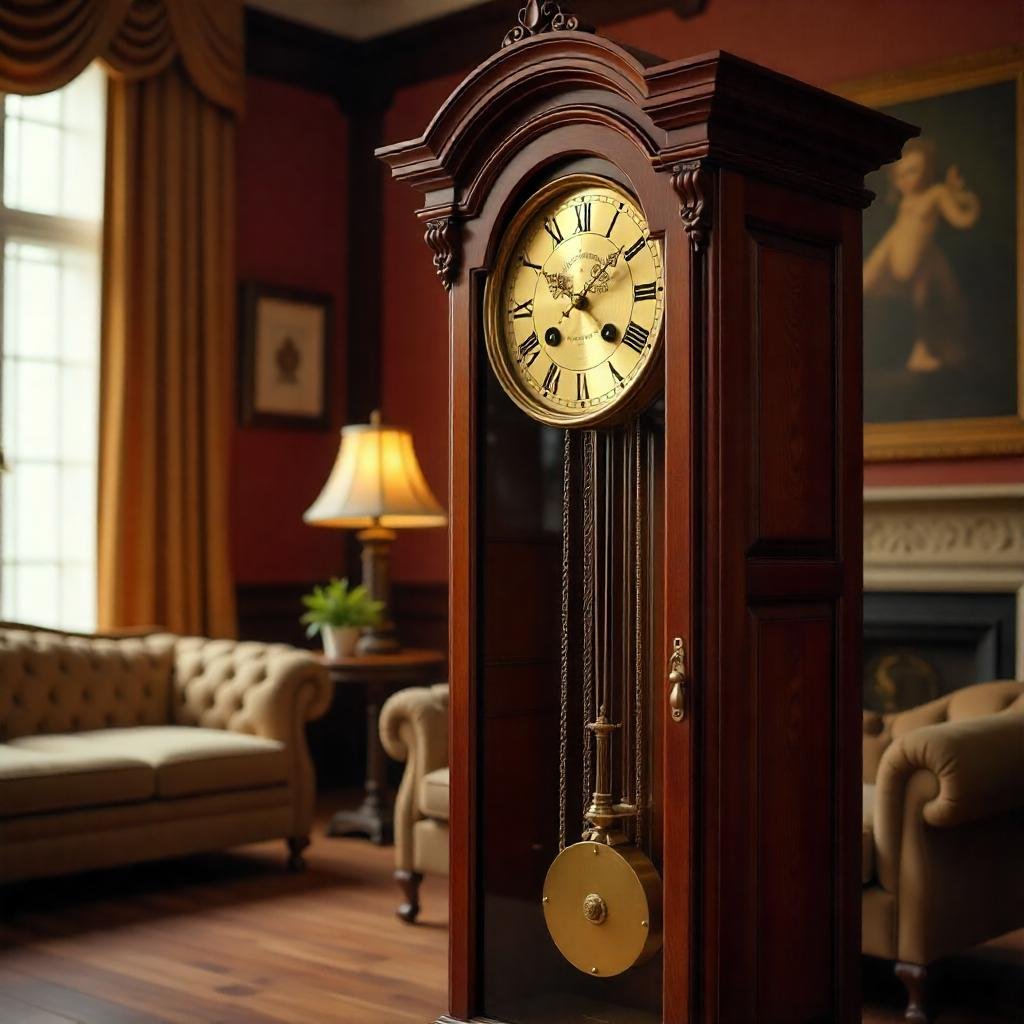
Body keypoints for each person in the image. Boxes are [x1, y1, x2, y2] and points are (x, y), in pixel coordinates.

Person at [863, 137, 981, 374]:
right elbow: (898, 232)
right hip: (895, 261)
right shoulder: (906, 201)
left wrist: (962, 195)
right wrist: (878, 259)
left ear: (926, 169)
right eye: (901, 174)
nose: (907, 179)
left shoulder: (936, 193)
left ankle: (924, 350)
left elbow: (962, 219)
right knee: (863, 285)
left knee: (928, 303)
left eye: (913, 171)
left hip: (922, 262)